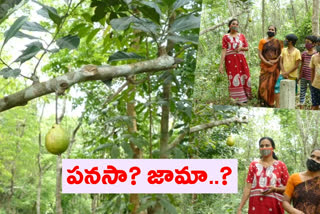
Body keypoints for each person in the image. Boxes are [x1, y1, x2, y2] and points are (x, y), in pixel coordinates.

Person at [237, 137, 289, 214]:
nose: (264, 148)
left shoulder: (281, 165)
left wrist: (275, 189)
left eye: (267, 145)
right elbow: (248, 188)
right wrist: (240, 208)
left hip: (275, 208)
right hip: (256, 208)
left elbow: (289, 187)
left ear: (273, 148)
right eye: (261, 146)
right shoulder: (253, 165)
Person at [219, 18, 252, 105]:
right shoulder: (225, 37)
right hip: (230, 60)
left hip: (241, 59)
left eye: (237, 24)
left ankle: (245, 97)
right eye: (233, 24)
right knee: (233, 77)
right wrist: (221, 65)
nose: (235, 25)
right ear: (230, 26)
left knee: (245, 75)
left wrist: (241, 48)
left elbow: (247, 48)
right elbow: (224, 50)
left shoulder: (242, 36)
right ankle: (236, 99)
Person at [283, 149, 320, 214]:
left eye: (318, 158)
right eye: (312, 156)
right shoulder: (294, 178)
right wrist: (295, 212)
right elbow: (285, 201)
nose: (314, 159)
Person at [258, 25, 283, 107]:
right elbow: (260, 54)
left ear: (275, 32)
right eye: (269, 29)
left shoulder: (278, 42)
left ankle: (271, 103)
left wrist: (275, 61)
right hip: (265, 66)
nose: (270, 31)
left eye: (272, 30)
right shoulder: (262, 41)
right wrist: (266, 62)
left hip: (275, 66)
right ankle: (264, 101)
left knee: (273, 84)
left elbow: (281, 54)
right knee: (263, 85)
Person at [275, 34, 301, 108]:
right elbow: (280, 62)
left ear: (291, 41)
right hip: (282, 74)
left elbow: (296, 65)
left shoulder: (297, 51)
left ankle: (290, 107)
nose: (285, 41)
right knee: (277, 89)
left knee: (292, 91)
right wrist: (283, 72)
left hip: (292, 75)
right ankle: (278, 106)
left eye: (287, 40)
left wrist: (287, 72)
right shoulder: (283, 50)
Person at [298, 35, 317, 109]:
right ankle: (301, 108)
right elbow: (302, 64)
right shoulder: (303, 53)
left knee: (313, 94)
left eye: (308, 42)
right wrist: (300, 75)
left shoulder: (316, 54)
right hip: (303, 77)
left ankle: (313, 109)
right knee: (302, 93)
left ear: (313, 44)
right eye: (305, 42)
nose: (306, 44)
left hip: (312, 78)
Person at [310, 37, 320, 110]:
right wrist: (312, 83)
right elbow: (312, 70)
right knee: (314, 105)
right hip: (315, 85)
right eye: (318, 44)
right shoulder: (314, 57)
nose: (318, 46)